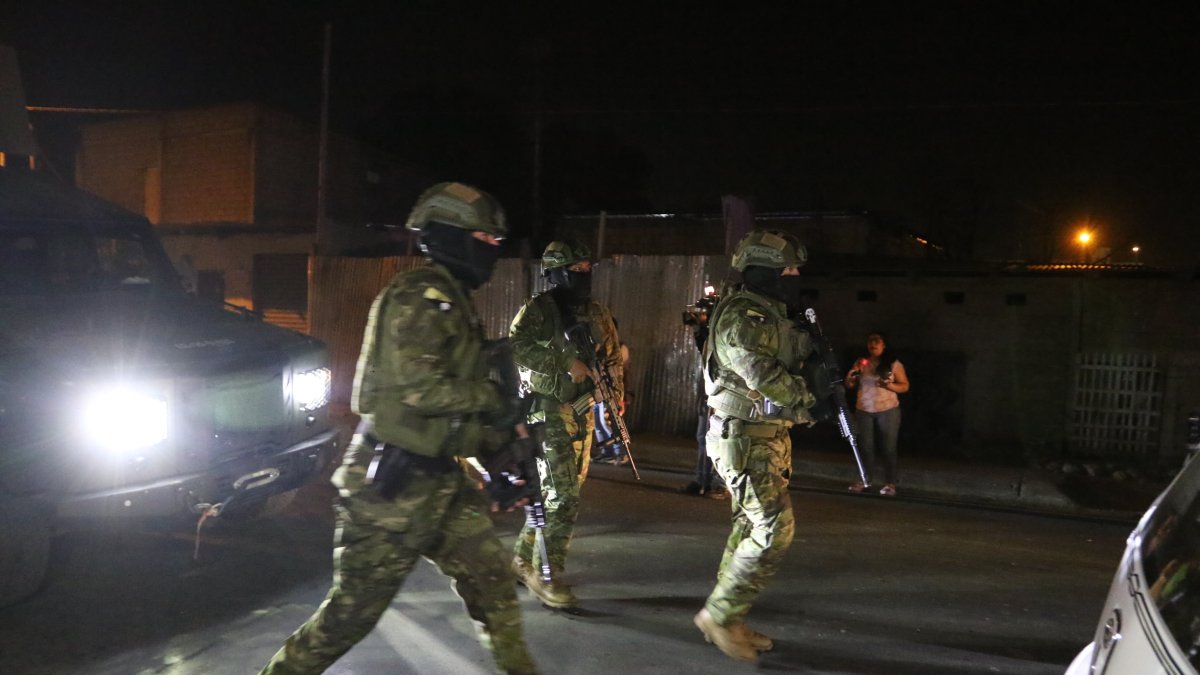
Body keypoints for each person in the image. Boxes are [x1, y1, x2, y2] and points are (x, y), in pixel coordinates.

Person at [257, 182, 538, 675]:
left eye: (497, 241)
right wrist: (494, 401)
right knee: (348, 618)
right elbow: (419, 390)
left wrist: (500, 450)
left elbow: (452, 411)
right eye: (485, 239)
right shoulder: (419, 296)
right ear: (449, 235)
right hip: (388, 487)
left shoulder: (453, 300)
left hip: (440, 481)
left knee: (493, 583)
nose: (494, 249)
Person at [694, 230, 820, 662]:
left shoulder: (773, 313)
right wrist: (811, 397)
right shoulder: (743, 316)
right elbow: (764, 376)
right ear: (766, 271)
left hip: (764, 436)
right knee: (773, 528)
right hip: (743, 438)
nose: (796, 276)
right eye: (788, 269)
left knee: (748, 527)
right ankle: (719, 615)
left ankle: (728, 616)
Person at [509, 240, 623, 608]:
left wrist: (615, 397)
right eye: (575, 269)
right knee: (564, 496)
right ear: (556, 273)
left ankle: (522, 558)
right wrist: (563, 361)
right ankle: (547, 574)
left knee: (559, 492)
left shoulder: (598, 312)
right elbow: (516, 346)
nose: (583, 274)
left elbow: (611, 358)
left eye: (587, 268)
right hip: (548, 410)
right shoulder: (539, 310)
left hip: (581, 411)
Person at [844, 331, 910, 497]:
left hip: (888, 409)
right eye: (870, 341)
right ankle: (865, 480)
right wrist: (852, 376)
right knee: (866, 447)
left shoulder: (893, 364)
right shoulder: (862, 362)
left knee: (888, 447)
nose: (873, 344)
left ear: (884, 345)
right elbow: (849, 384)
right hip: (864, 409)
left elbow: (904, 386)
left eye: (877, 341)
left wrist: (889, 386)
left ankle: (890, 483)